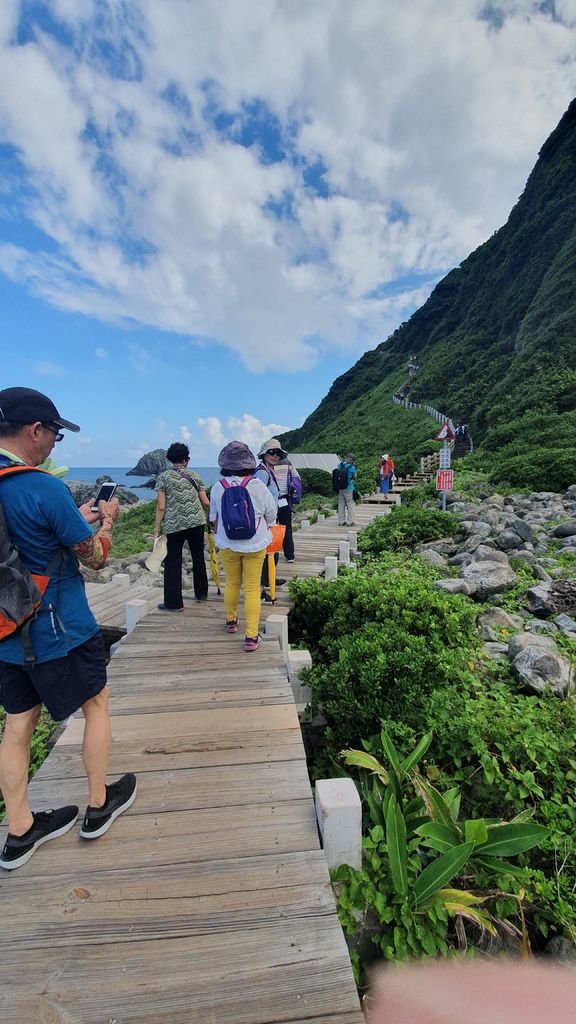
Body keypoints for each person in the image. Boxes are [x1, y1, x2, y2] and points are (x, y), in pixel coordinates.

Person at [0, 386, 137, 871]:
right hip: (57, 626)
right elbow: (97, 558)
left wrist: (72, 521)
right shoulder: (40, 485)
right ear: (34, 430)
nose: (57, 442)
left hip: (5, 631)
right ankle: (99, 805)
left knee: (18, 726)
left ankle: (19, 831)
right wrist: (107, 522)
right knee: (96, 704)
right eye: (55, 432)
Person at [209, 441, 276, 652]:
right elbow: (271, 513)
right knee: (252, 588)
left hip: (227, 542)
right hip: (255, 543)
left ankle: (231, 621)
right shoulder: (257, 485)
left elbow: (213, 517)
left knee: (232, 583)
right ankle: (251, 636)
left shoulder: (218, 486)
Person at [154, 442, 210, 611]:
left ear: (170, 459)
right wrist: (210, 518)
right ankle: (201, 593)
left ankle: (174, 603)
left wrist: (157, 528)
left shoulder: (163, 477)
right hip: (197, 522)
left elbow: (161, 506)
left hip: (175, 524)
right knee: (198, 556)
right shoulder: (195, 475)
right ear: (186, 459)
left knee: (173, 561)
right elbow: (206, 502)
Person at [336, 452, 357, 526]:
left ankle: (341, 521)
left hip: (341, 488)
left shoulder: (339, 465)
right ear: (352, 460)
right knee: (350, 504)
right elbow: (355, 477)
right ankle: (350, 521)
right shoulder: (352, 467)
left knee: (341, 504)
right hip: (349, 488)